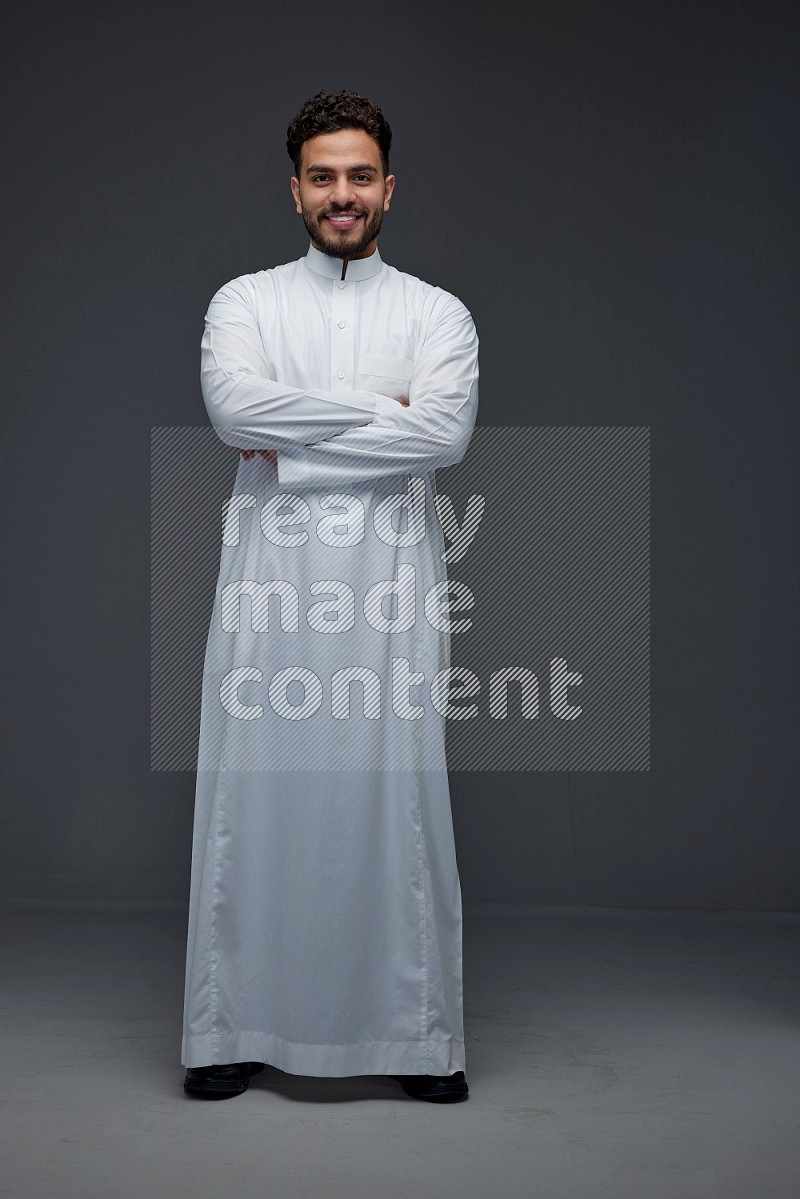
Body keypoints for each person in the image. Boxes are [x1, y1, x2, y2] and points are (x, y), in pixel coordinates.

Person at [181, 89, 479, 1104]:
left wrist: (297, 441)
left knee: (392, 796)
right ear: (295, 189)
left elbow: (441, 436)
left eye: (358, 175)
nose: (340, 194)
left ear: (387, 187)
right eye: (322, 176)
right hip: (273, 583)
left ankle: (413, 1034)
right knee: (252, 792)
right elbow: (233, 410)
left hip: (389, 585)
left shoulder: (435, 312)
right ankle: (231, 1024)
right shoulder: (245, 301)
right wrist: (380, 412)